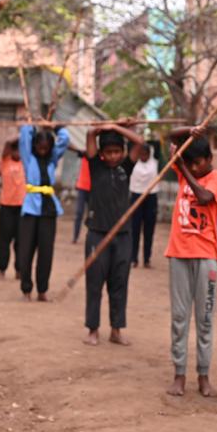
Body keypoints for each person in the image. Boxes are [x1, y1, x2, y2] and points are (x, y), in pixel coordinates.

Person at [163, 126, 217, 398]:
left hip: (207, 257)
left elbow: (204, 196)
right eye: (189, 164)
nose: (194, 168)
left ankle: (203, 375)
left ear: (209, 160)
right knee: (179, 317)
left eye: (198, 164)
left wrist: (181, 166)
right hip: (178, 253)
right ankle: (179, 373)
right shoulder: (185, 170)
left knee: (205, 319)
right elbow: (170, 137)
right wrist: (189, 131)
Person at [82, 122, 145, 346]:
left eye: (117, 151)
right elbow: (90, 133)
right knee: (95, 283)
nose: (113, 156)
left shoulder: (125, 167)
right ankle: (93, 329)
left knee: (119, 283)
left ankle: (116, 330)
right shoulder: (95, 166)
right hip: (97, 233)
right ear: (101, 153)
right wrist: (103, 127)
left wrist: (117, 128)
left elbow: (139, 142)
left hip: (123, 235)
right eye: (108, 152)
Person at [16, 121, 70, 302]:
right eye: (40, 146)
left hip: (49, 211)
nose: (43, 149)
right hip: (30, 210)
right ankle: (26, 289)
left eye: (46, 147)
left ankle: (42, 290)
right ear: (35, 145)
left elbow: (65, 139)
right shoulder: (28, 157)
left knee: (46, 253)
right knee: (25, 252)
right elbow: (24, 134)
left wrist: (56, 127)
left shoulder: (53, 159)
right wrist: (34, 124)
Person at [0, 140, 25, 280]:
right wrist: (22, 133)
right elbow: (7, 144)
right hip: (6, 207)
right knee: (4, 241)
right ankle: (2, 269)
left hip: (22, 208)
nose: (17, 153)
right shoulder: (5, 161)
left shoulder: (25, 163)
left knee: (21, 241)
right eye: (15, 150)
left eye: (20, 150)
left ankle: (19, 269)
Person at [128, 141, 159, 269]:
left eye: (146, 154)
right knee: (134, 229)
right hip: (136, 196)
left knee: (149, 230)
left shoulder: (155, 163)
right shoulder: (133, 163)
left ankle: (147, 259)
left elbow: (157, 144)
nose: (143, 156)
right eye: (141, 154)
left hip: (151, 196)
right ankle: (133, 258)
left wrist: (149, 140)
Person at [72, 153, 91, 243]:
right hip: (82, 186)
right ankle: (75, 237)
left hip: (93, 188)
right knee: (79, 213)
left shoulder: (100, 155)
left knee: (92, 215)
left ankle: (90, 237)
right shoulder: (83, 153)